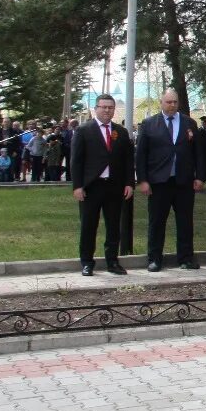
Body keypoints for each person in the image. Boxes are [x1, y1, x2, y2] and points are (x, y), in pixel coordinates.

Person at [135, 88, 206, 272]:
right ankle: (155, 259)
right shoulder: (149, 124)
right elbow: (141, 155)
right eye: (168, 102)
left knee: (185, 222)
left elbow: (199, 153)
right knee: (157, 222)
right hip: (159, 182)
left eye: (175, 102)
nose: (172, 105)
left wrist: (200, 177)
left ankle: (185, 258)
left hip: (184, 182)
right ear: (161, 102)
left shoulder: (189, 123)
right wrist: (142, 180)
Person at [71, 94, 134, 276]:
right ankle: (87, 262)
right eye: (103, 107)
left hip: (114, 187)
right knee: (88, 226)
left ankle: (112, 261)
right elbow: (76, 161)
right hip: (91, 187)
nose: (107, 110)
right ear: (96, 108)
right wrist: (77, 186)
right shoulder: (84, 131)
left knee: (114, 226)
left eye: (110, 107)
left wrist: (129, 183)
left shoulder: (121, 132)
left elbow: (128, 161)